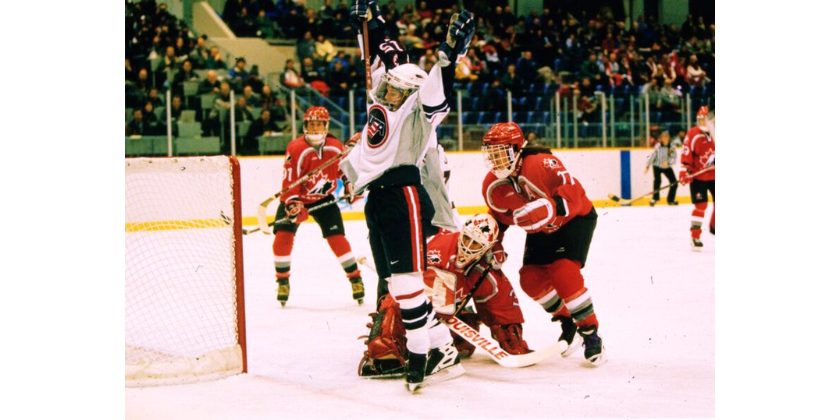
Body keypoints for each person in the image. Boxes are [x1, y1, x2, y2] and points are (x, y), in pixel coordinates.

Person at [341, 0, 475, 392]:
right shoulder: (380, 99)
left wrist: (451, 53)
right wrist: (369, 21)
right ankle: (441, 347)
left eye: (400, 90)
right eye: (390, 87)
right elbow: (377, 53)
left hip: (405, 195)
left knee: (406, 281)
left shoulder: (419, 111)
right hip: (377, 199)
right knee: (395, 281)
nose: (392, 92)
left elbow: (437, 83)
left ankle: (419, 353)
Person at [480, 122, 604, 366]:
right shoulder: (492, 184)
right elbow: (498, 218)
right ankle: (568, 320)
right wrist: (493, 242)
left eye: (501, 152)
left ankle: (591, 334)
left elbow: (575, 192)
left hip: (573, 220)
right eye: (491, 154)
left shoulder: (540, 162)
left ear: (517, 149)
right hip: (542, 228)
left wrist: (550, 207)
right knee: (531, 279)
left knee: (564, 272)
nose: (495, 160)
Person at [358, 213, 530, 378]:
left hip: (446, 313)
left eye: (476, 243)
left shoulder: (486, 269)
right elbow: (405, 289)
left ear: (487, 246)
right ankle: (388, 343)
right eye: (467, 238)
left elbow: (502, 304)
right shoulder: (438, 247)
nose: (468, 246)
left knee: (463, 344)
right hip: (414, 303)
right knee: (396, 306)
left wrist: (510, 334)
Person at [273, 106, 365, 306]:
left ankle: (356, 279)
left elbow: (344, 172)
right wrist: (293, 205)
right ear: (305, 126)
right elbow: (289, 181)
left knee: (337, 238)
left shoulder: (334, 145)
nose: (315, 128)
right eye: (311, 124)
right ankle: (282, 281)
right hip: (296, 199)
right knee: (282, 238)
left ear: (326, 125)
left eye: (319, 124)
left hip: (323, 200)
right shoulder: (296, 147)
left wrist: (350, 188)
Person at [679, 106, 715, 250]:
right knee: (701, 206)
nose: (701, 123)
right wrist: (684, 172)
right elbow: (686, 154)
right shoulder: (693, 133)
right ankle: (695, 236)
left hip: (715, 175)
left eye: (704, 119)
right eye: (699, 119)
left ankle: (714, 227)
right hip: (699, 176)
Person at [645, 130, 679, 206]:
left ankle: (671, 199)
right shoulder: (658, 146)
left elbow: (674, 157)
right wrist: (648, 165)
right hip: (657, 166)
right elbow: (652, 155)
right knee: (657, 181)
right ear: (661, 138)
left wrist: (668, 162)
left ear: (669, 138)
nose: (665, 138)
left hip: (667, 167)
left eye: (667, 136)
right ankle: (655, 198)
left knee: (674, 183)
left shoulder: (672, 146)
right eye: (663, 137)